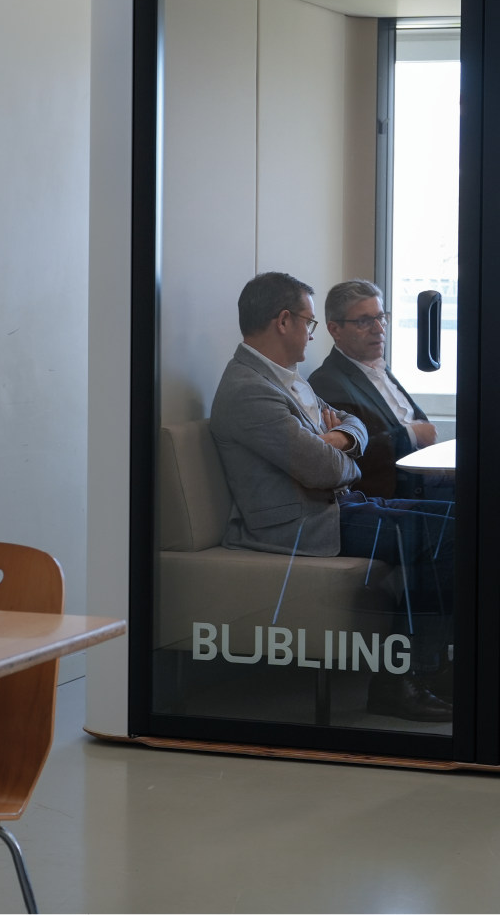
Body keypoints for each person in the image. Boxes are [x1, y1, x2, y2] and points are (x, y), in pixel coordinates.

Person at [307, 279, 500, 676]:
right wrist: (409, 434)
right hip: (395, 488)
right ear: (334, 329)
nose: (378, 328)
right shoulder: (328, 382)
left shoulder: (379, 371)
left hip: (425, 477)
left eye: (381, 317)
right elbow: (356, 452)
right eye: (364, 321)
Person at [208, 271, 456, 723]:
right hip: (300, 523)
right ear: (284, 321)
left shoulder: (289, 378)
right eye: (309, 321)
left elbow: (350, 425)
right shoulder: (249, 390)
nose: (312, 332)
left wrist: (337, 438)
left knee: (461, 518)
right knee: (446, 536)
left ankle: (433, 665)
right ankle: (403, 679)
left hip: (336, 504)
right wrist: (339, 450)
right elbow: (324, 468)